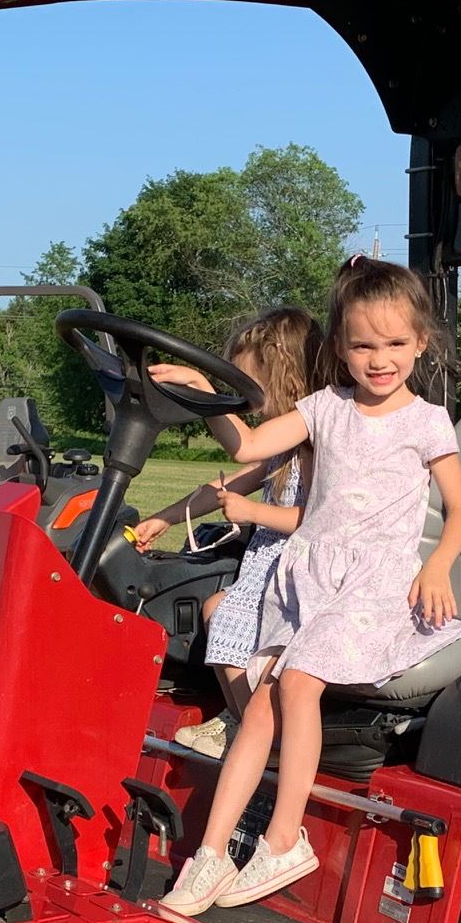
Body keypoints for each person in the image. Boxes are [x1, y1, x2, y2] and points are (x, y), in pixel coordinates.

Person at [160, 258, 461, 916]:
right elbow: (246, 449)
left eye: (394, 344)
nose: (379, 359)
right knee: (263, 698)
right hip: (308, 577)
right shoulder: (323, 408)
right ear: (338, 348)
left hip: (375, 584)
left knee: (296, 682)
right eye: (362, 344)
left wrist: (439, 562)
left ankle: (283, 839)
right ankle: (212, 851)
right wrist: (204, 393)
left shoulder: (427, 423)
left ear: (421, 342)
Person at [133, 307, 323, 759]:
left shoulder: (315, 447)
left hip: (298, 579)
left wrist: (205, 390)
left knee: (227, 610)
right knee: (218, 607)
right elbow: (220, 489)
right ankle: (243, 720)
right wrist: (164, 517)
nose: (241, 397)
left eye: (245, 385)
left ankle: (260, 738)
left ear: (281, 369)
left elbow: (315, 521)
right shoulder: (283, 451)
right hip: (263, 576)